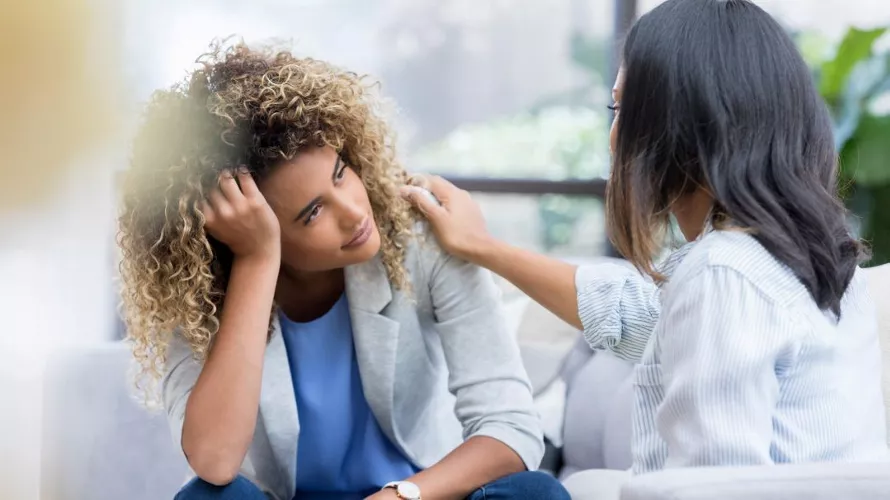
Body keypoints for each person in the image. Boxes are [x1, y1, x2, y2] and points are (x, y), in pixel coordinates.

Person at [404, 0, 889, 488]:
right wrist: (481, 246)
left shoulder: (723, 273)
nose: (615, 139)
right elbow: (635, 316)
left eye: (622, 109)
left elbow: (713, 489)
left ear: (680, 122)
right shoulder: (814, 261)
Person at [117, 42, 570, 500]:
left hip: (418, 495)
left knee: (536, 494)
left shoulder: (421, 240)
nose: (355, 212)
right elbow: (214, 462)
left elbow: (511, 427)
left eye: (340, 172)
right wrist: (257, 262)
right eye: (312, 213)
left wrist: (399, 497)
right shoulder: (196, 291)